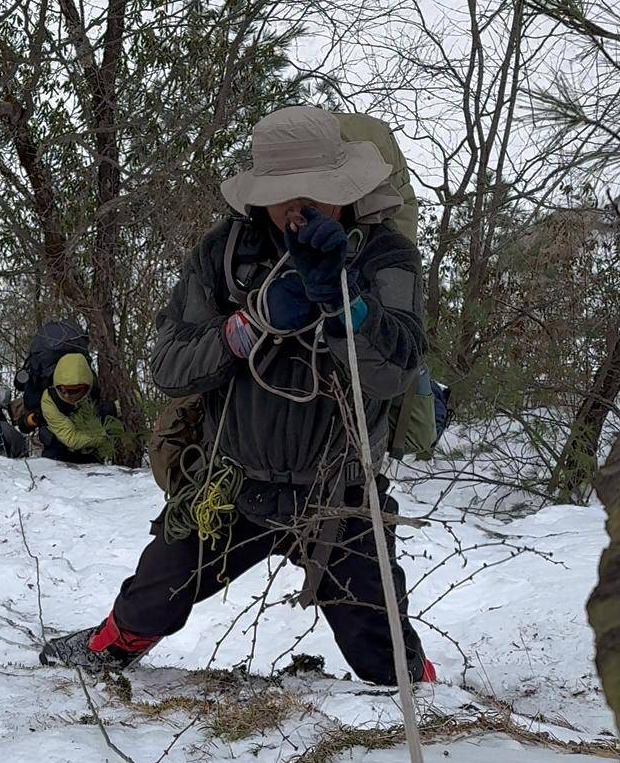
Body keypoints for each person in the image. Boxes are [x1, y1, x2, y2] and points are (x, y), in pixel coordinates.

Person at [40, 105, 436, 685]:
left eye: (316, 194)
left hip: (338, 492)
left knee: (386, 659)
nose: (299, 210)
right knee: (153, 597)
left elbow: (393, 375)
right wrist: (245, 327)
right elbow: (170, 367)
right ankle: (108, 644)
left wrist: (347, 310)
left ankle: (430, 694)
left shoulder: (384, 255)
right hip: (231, 484)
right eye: (286, 197)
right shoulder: (227, 254)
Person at [35, 353, 122, 464]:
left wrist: (118, 407)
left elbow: (134, 399)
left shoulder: (99, 388)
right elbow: (71, 438)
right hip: (60, 449)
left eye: (73, 391)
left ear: (86, 386)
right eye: (62, 389)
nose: (66, 395)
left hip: (92, 451)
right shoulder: (49, 400)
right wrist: (105, 436)